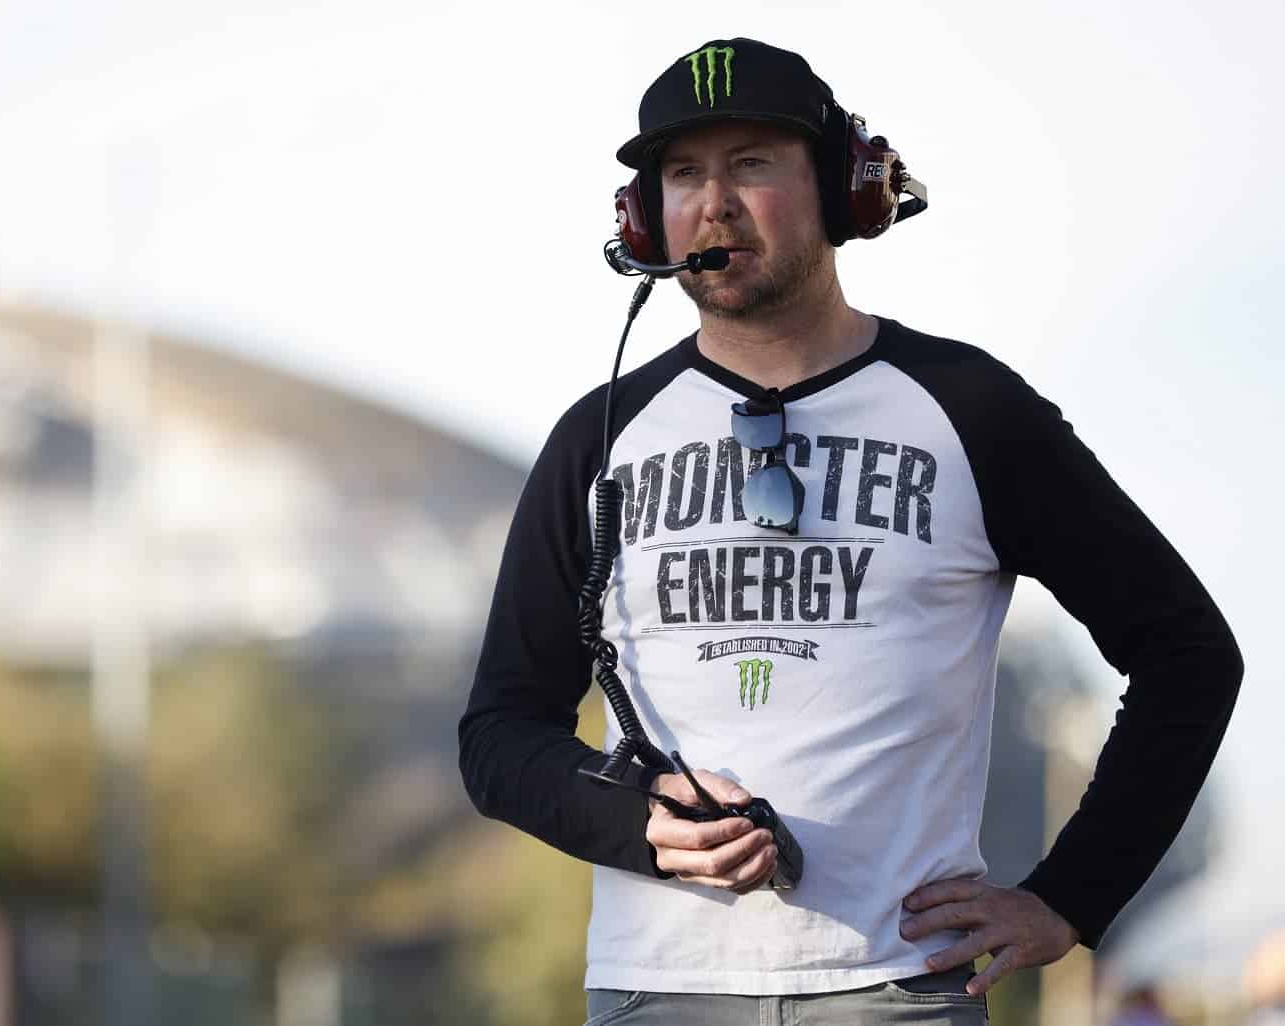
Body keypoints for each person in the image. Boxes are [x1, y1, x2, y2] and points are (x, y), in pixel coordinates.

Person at [458, 37, 1243, 1024]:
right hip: (654, 991)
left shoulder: (973, 410)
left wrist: (1070, 899)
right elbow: (498, 736)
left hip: (898, 991)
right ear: (644, 216)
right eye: (683, 173)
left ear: (842, 185)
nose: (714, 201)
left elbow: (1186, 653)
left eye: (753, 163)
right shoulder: (597, 437)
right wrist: (640, 825)